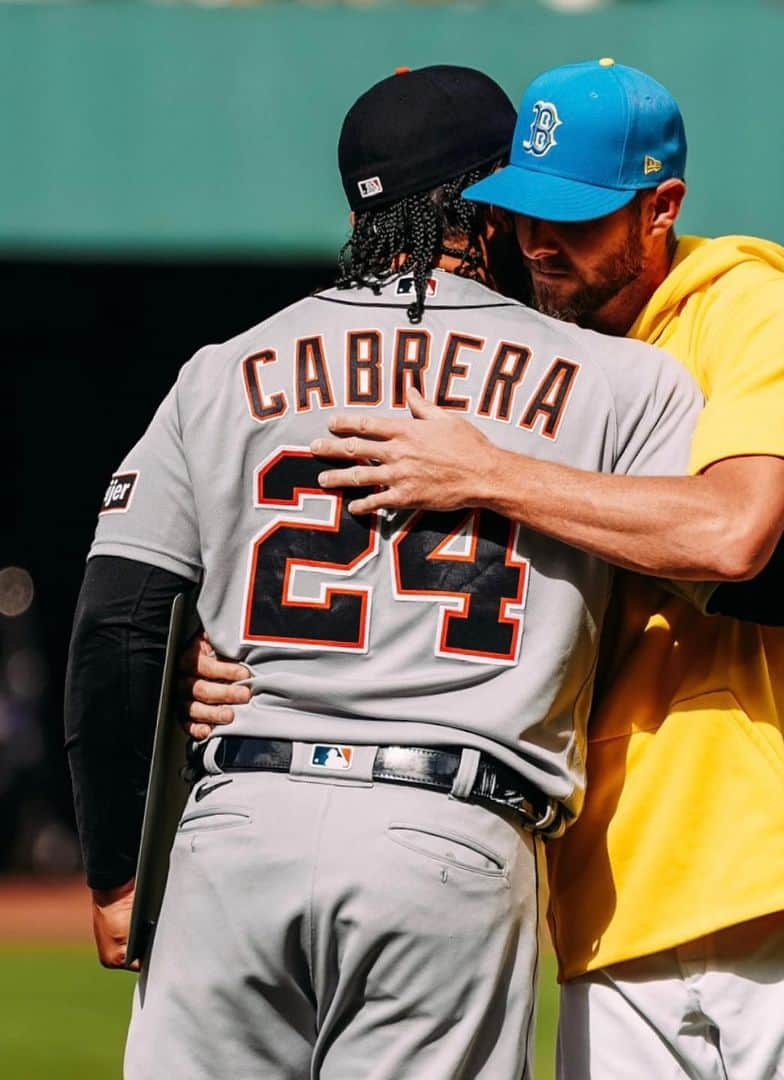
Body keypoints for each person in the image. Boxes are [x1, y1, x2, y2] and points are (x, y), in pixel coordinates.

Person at [285, 61, 784, 1078]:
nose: (543, 242)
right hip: (603, 901)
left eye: (580, 217)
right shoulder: (522, 352)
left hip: (783, 867)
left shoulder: (753, 311)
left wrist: (495, 474)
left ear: (660, 208)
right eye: (524, 211)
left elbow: (733, 538)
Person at [64, 65, 724, 1078]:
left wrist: (118, 872)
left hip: (235, 826)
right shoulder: (622, 377)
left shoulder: (224, 366)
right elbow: (739, 563)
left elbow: (119, 622)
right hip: (450, 828)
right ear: (498, 204)